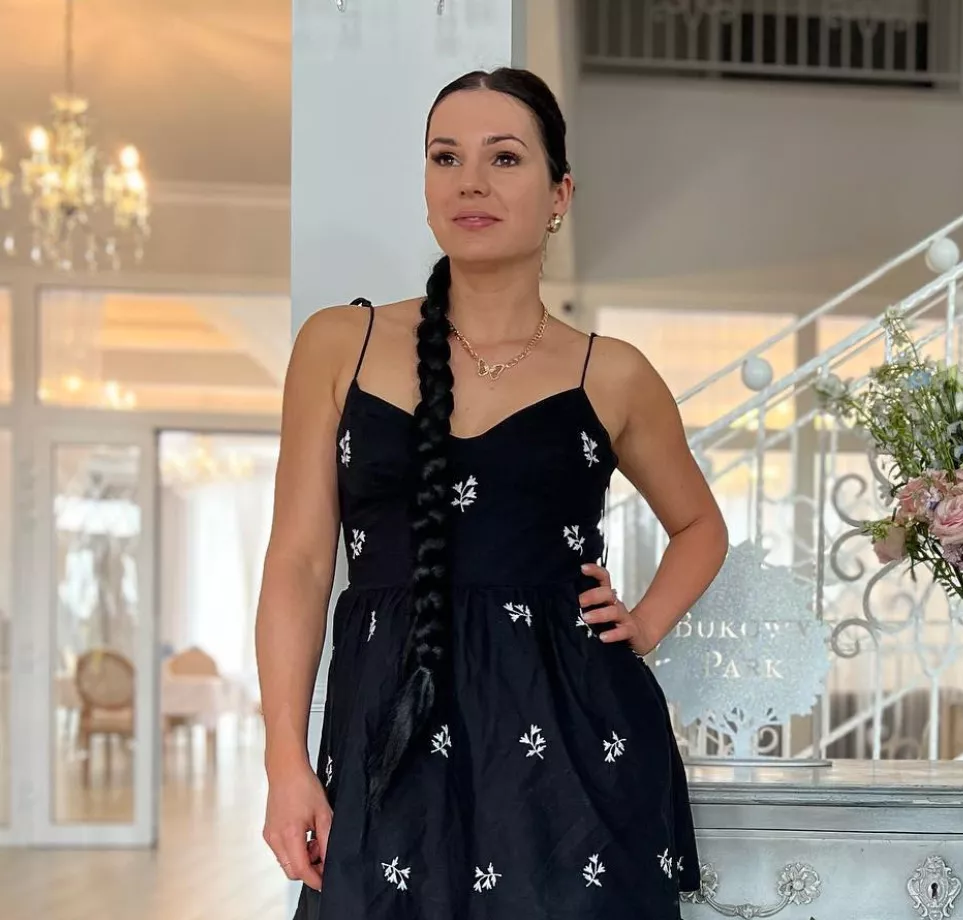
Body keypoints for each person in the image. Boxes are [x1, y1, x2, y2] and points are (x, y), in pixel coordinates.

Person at [256, 68, 728, 919]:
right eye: (446, 157)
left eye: (504, 158)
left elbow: (699, 524)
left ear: (559, 195)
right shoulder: (338, 344)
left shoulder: (612, 373)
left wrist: (645, 621)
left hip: (571, 748)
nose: (469, 181)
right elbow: (297, 563)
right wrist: (283, 759)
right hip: (386, 734)